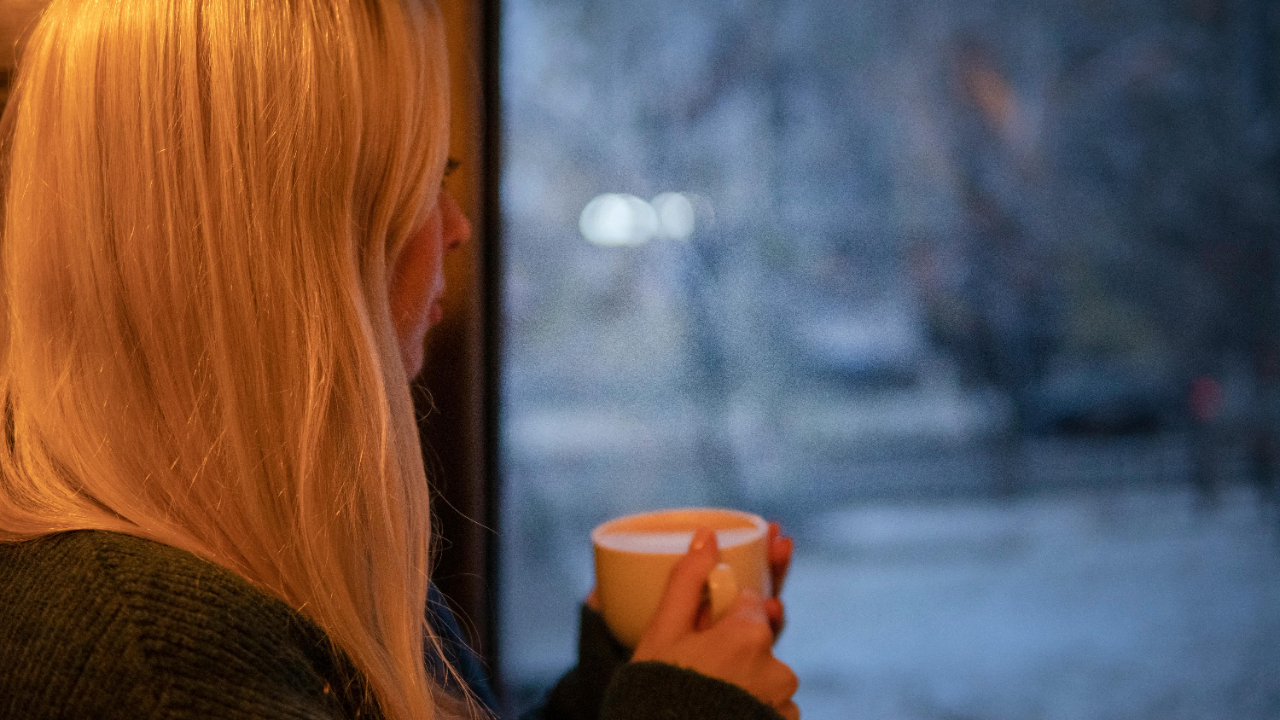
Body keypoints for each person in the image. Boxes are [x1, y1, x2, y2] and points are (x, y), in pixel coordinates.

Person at [0, 1, 800, 719]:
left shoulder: (259, 561)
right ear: (286, 245)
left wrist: (623, 681)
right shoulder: (147, 664)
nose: (457, 228)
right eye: (423, 182)